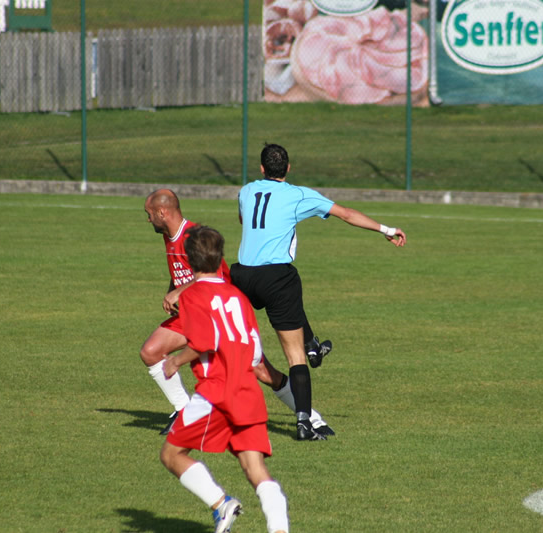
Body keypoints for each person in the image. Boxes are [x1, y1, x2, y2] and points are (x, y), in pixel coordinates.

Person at [230, 143, 406, 441]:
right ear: (288, 168)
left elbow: (244, 221)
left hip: (242, 276)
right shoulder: (298, 194)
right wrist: (386, 230)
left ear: (261, 168)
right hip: (275, 277)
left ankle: (313, 344)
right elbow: (347, 214)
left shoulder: (246, 191)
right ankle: (303, 423)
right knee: (293, 352)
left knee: (236, 343)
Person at [140, 189, 334, 436]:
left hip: (220, 317)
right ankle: (185, 411)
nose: (148, 220)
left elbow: (218, 275)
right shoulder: (169, 236)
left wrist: (180, 291)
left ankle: (314, 420)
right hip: (192, 316)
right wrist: (173, 290)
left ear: (162, 212)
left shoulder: (195, 237)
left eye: (149, 214)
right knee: (150, 351)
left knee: (264, 372)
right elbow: (181, 269)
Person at [160, 225, 289, 533]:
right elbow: (256, 352)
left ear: (189, 262)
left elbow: (205, 341)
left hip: (217, 391)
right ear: (220, 258)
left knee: (171, 453)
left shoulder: (192, 295)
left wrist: (175, 361)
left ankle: (222, 504)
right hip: (248, 391)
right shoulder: (238, 296)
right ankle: (280, 529)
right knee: (254, 468)